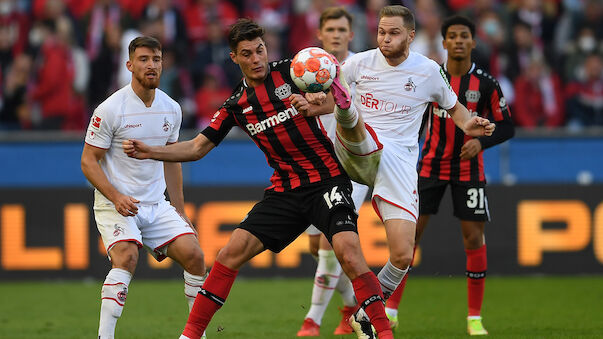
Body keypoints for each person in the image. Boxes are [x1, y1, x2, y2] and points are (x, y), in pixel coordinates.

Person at [122, 19, 394, 339]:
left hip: (327, 181)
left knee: (348, 252)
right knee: (229, 254)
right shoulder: (236, 105)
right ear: (234, 57)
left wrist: (315, 106)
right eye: (247, 54)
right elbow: (197, 148)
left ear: (267, 48)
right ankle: (190, 335)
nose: (256, 59)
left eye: (260, 50)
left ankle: (384, 332)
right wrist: (149, 151)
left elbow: (340, 99)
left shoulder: (295, 72)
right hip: (285, 191)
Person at [292, 6, 496, 338]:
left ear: (411, 36)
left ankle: (365, 311)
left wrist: (470, 124)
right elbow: (330, 100)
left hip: (397, 163)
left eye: (394, 33)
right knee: (352, 117)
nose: (385, 39)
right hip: (356, 150)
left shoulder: (429, 71)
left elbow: (456, 110)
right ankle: (313, 319)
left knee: (402, 254)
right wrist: (314, 105)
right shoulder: (359, 63)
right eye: (381, 32)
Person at [382, 15, 515, 336]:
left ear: (472, 42)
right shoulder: (429, 76)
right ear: (443, 43)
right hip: (429, 166)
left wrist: (481, 142)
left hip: (469, 170)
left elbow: (507, 126)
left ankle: (474, 318)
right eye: (452, 36)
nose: (457, 41)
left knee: (473, 238)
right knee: (410, 239)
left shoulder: (485, 83)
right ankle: (390, 311)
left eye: (463, 36)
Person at [80, 36, 207, 339]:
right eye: (144, 59)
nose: (151, 65)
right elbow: (88, 162)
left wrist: (179, 209)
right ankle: (105, 336)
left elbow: (172, 160)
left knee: (195, 255)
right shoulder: (110, 109)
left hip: (155, 204)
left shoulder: (171, 108)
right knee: (127, 256)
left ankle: (196, 334)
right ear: (129, 65)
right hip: (117, 202)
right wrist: (116, 196)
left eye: (156, 59)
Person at [296, 7, 370, 337]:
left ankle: (311, 320)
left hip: (352, 165)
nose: (337, 34)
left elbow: (352, 107)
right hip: (316, 166)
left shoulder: (360, 69)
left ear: (350, 35)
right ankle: (352, 305)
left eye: (343, 29)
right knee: (320, 248)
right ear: (321, 35)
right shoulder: (304, 70)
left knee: (329, 242)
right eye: (331, 29)